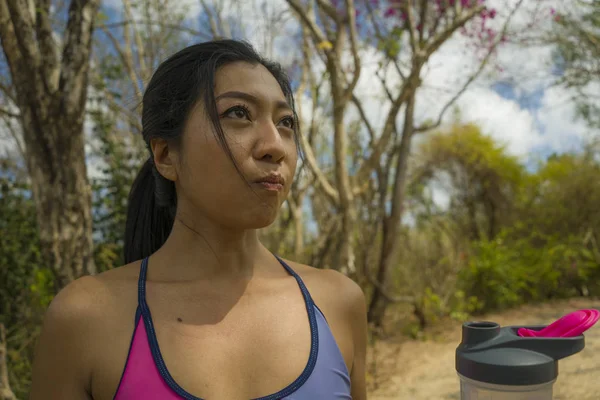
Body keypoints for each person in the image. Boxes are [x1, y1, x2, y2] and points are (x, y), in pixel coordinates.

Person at [29, 39, 368, 400]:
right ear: (165, 155)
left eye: (286, 122)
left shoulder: (337, 303)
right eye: (239, 113)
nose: (276, 146)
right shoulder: (86, 318)